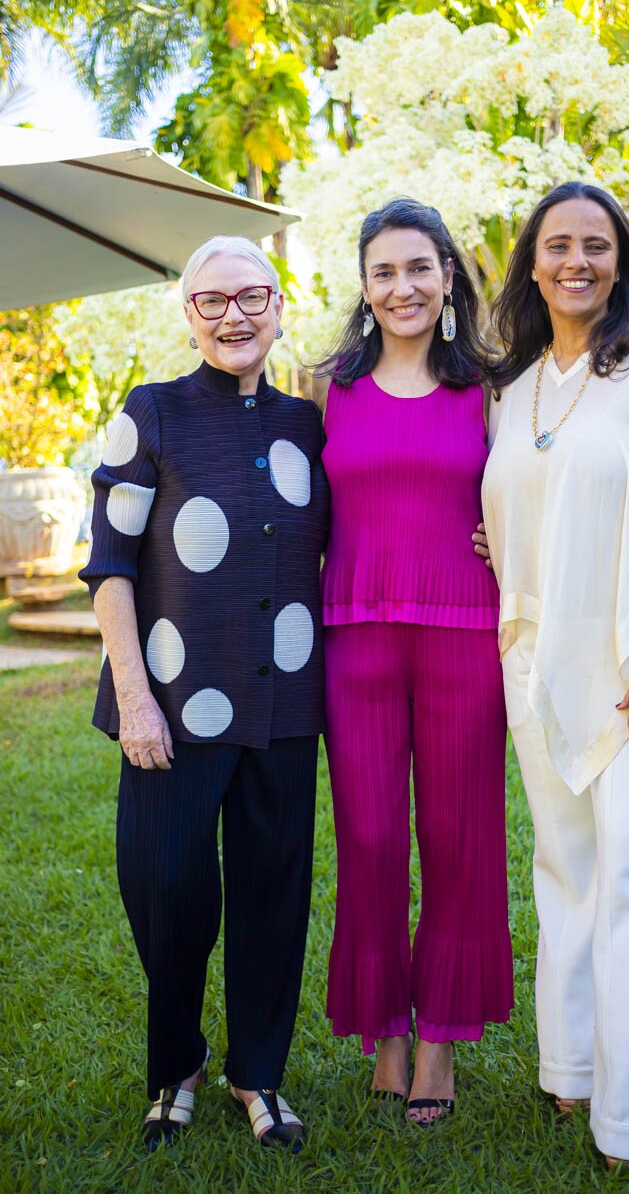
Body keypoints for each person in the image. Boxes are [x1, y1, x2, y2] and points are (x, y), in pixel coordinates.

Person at [480, 182, 629, 1169]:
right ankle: (570, 1069)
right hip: (533, 660)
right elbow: (522, 500)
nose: (574, 262)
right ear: (530, 266)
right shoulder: (515, 387)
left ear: (617, 262)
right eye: (556, 247)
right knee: (564, 867)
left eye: (594, 245)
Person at [79, 236, 328, 1153]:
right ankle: (176, 1061)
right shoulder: (150, 414)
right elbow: (108, 566)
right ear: (189, 315)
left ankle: (257, 1075)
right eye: (213, 301)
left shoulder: (309, 423)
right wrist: (135, 698)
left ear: (276, 304)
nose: (236, 315)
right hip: (171, 709)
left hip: (285, 704)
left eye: (253, 296)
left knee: (273, 894)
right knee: (165, 885)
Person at [313, 198, 513, 1125]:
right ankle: (385, 1026)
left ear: (447, 279)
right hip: (353, 633)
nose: (403, 287)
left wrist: (506, 543)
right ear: (364, 285)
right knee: (371, 837)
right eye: (384, 271)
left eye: (419, 269)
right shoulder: (329, 388)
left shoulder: (489, 387)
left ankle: (439, 1040)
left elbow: (529, 493)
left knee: (459, 834)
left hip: (463, 632)